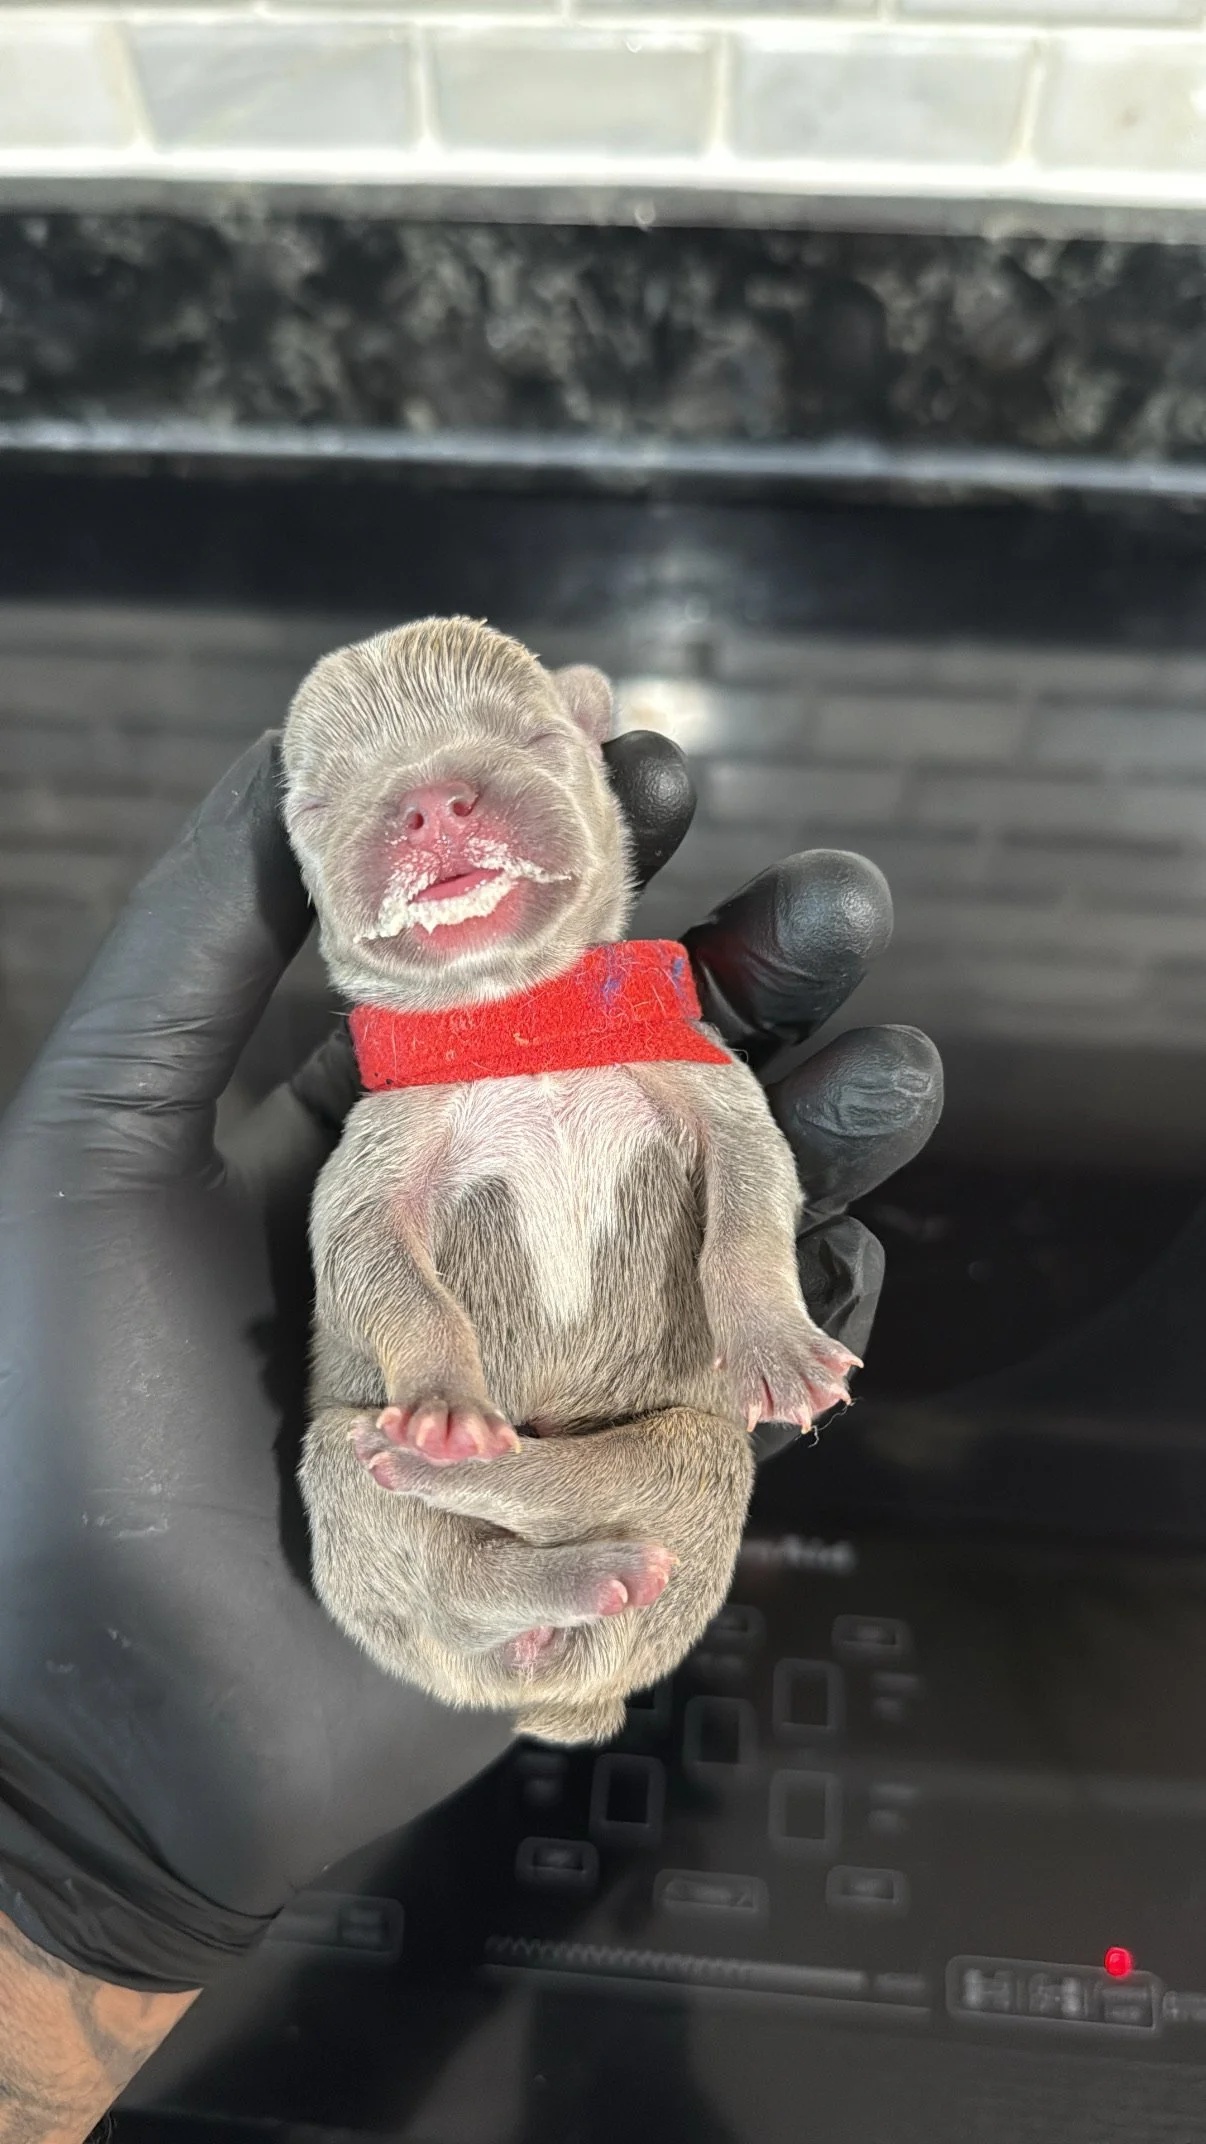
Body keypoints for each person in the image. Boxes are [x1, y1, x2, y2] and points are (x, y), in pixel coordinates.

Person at [0, 730, 942, 2141]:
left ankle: (429, 1983)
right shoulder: (422, 1092)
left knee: (667, 1450)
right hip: (418, 1481)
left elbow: (744, 1191)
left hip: (548, 1454)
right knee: (381, 1470)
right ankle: (436, 1975)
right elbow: (375, 1241)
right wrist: (83, 1864)